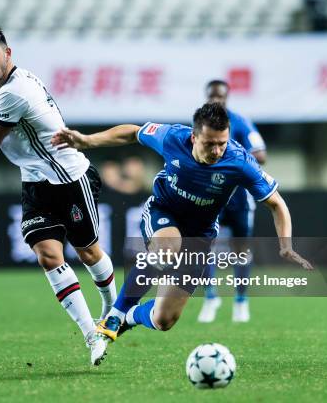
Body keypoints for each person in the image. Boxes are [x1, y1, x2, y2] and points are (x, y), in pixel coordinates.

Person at [51, 102, 312, 350]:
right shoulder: (173, 136)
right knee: (168, 245)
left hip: (200, 236)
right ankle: (115, 315)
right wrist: (87, 141)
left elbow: (277, 203)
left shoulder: (239, 161)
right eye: (210, 143)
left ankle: (128, 318)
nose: (217, 151)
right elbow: (133, 133)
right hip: (163, 212)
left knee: (164, 319)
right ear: (194, 137)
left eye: (222, 143)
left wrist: (285, 245)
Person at [0, 22, 116, 366]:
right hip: (36, 184)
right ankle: (92, 334)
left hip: (71, 179)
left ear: (8, 53)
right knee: (48, 255)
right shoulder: (19, 81)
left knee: (89, 253)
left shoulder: (13, 92)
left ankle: (112, 310)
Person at [197, 79, 267, 323]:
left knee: (241, 250)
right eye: (212, 97)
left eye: (221, 97)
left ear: (227, 98)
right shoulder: (199, 125)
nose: (216, 101)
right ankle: (210, 297)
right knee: (204, 249)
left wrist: (234, 158)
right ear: (207, 97)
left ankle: (240, 301)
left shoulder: (239, 122)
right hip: (210, 198)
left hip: (238, 198)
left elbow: (261, 154)